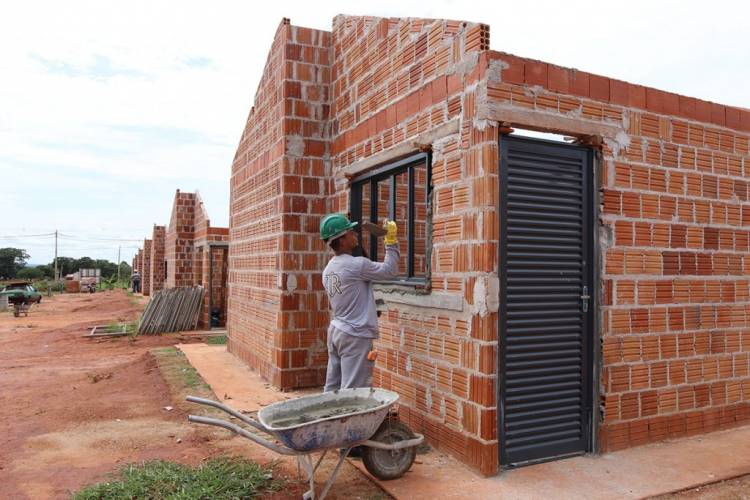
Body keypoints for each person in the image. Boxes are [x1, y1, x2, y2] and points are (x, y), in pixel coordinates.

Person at [320, 213, 399, 392]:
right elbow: (390, 270)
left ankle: (328, 418)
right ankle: (352, 421)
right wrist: (391, 240)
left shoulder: (328, 270)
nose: (355, 235)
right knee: (354, 391)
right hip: (355, 335)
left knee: (332, 387)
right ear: (341, 240)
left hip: (337, 332)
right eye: (350, 232)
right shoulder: (357, 265)